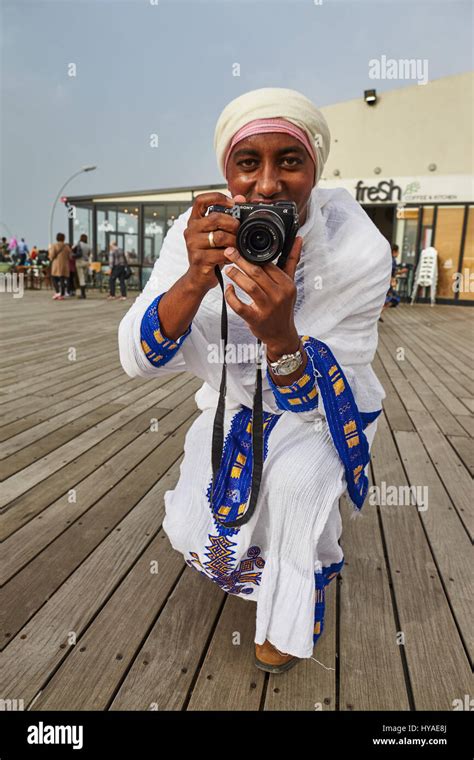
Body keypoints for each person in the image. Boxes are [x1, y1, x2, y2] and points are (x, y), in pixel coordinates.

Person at [118, 87, 392, 674]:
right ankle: (250, 571)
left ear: (315, 169)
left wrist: (280, 337)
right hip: (236, 402)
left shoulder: (357, 250)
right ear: (227, 172)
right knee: (211, 478)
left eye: (288, 162)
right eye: (249, 164)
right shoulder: (199, 234)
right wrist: (193, 280)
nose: (266, 186)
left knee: (294, 484)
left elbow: (335, 380)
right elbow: (135, 356)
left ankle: (294, 615)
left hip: (326, 412)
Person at [48, 232, 72, 300]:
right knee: (62, 279)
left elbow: (51, 256)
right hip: (65, 265)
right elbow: (70, 257)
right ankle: (62, 294)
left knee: (53, 278)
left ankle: (57, 292)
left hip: (56, 265)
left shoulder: (54, 245)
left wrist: (50, 257)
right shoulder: (66, 247)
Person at [73, 234, 92, 299]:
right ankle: (83, 293)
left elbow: (72, 249)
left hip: (79, 261)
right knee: (84, 278)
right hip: (86, 262)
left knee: (81, 278)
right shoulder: (88, 246)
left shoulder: (78, 244)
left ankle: (83, 294)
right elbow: (89, 254)